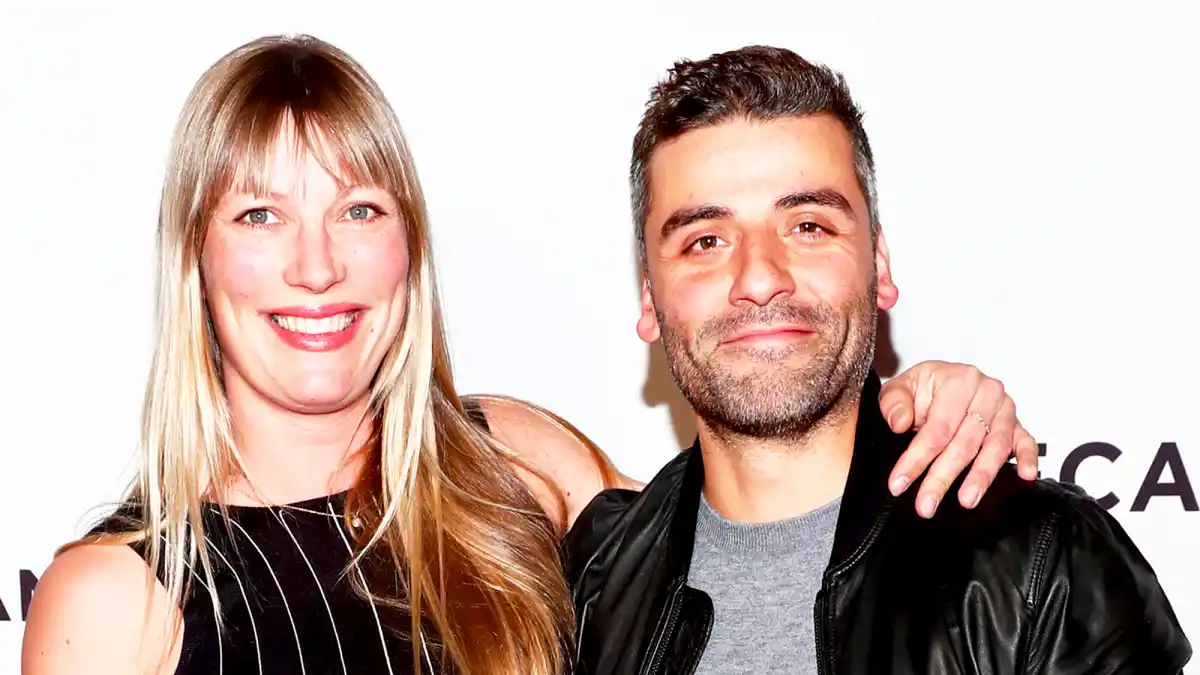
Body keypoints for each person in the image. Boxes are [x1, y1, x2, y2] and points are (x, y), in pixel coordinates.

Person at [23, 35, 1039, 675]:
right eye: (259, 215)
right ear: (195, 261)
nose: (317, 266)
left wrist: (920, 406)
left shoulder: (512, 461)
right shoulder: (113, 602)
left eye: (358, 209)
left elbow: (771, 529)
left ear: (407, 250)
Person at [562, 45, 1192, 675]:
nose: (758, 279)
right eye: (705, 241)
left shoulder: (1042, 565)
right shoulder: (590, 586)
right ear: (650, 298)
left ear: (879, 266)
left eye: (808, 226)